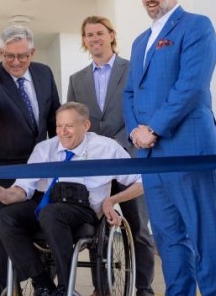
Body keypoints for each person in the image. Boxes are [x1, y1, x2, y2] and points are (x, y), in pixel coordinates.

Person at [122, 0, 216, 295]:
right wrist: (135, 133)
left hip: (190, 147)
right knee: (167, 238)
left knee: (204, 237)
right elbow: (129, 92)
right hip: (151, 157)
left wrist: (154, 127)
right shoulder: (141, 41)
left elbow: (191, 86)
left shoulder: (197, 26)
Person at [0, 102, 142, 296]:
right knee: (4, 217)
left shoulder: (107, 148)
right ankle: (44, 284)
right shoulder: (44, 149)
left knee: (52, 213)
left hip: (83, 210)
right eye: (59, 126)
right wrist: (3, 194)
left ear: (86, 126)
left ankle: (65, 287)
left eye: (69, 126)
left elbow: (142, 181)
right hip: (47, 205)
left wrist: (112, 200)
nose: (62, 132)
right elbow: (24, 189)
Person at [67, 16, 156, 296]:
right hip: (94, 167)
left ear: (111, 36)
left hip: (129, 157)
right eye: (88, 34)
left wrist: (112, 146)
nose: (94, 38)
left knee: (138, 227)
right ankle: (100, 288)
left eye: (99, 33)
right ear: (84, 41)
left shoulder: (133, 70)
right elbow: (73, 120)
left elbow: (142, 112)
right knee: (96, 230)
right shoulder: (76, 80)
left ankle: (144, 287)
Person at [0, 24, 60, 295]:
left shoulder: (44, 74)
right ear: (0, 52)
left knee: (43, 223)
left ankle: (44, 282)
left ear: (32, 52)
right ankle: (6, 287)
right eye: (9, 56)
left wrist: (63, 157)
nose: (16, 62)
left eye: (22, 56)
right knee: (0, 233)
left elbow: (54, 118)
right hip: (2, 171)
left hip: (41, 168)